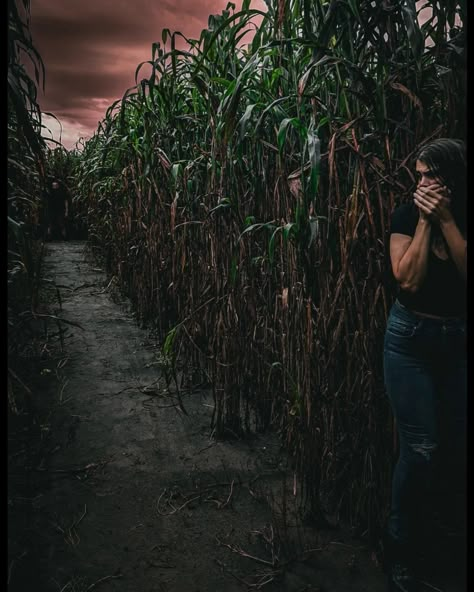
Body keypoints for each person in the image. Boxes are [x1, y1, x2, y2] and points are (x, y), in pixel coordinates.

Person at [383, 138, 466, 591]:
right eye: (419, 176)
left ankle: (442, 545)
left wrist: (449, 220)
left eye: (431, 176)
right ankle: (399, 550)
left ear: (452, 179)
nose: (422, 184)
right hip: (409, 342)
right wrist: (426, 222)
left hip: (458, 344)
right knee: (420, 448)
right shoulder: (403, 215)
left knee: (454, 446)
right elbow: (408, 279)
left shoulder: (463, 216)